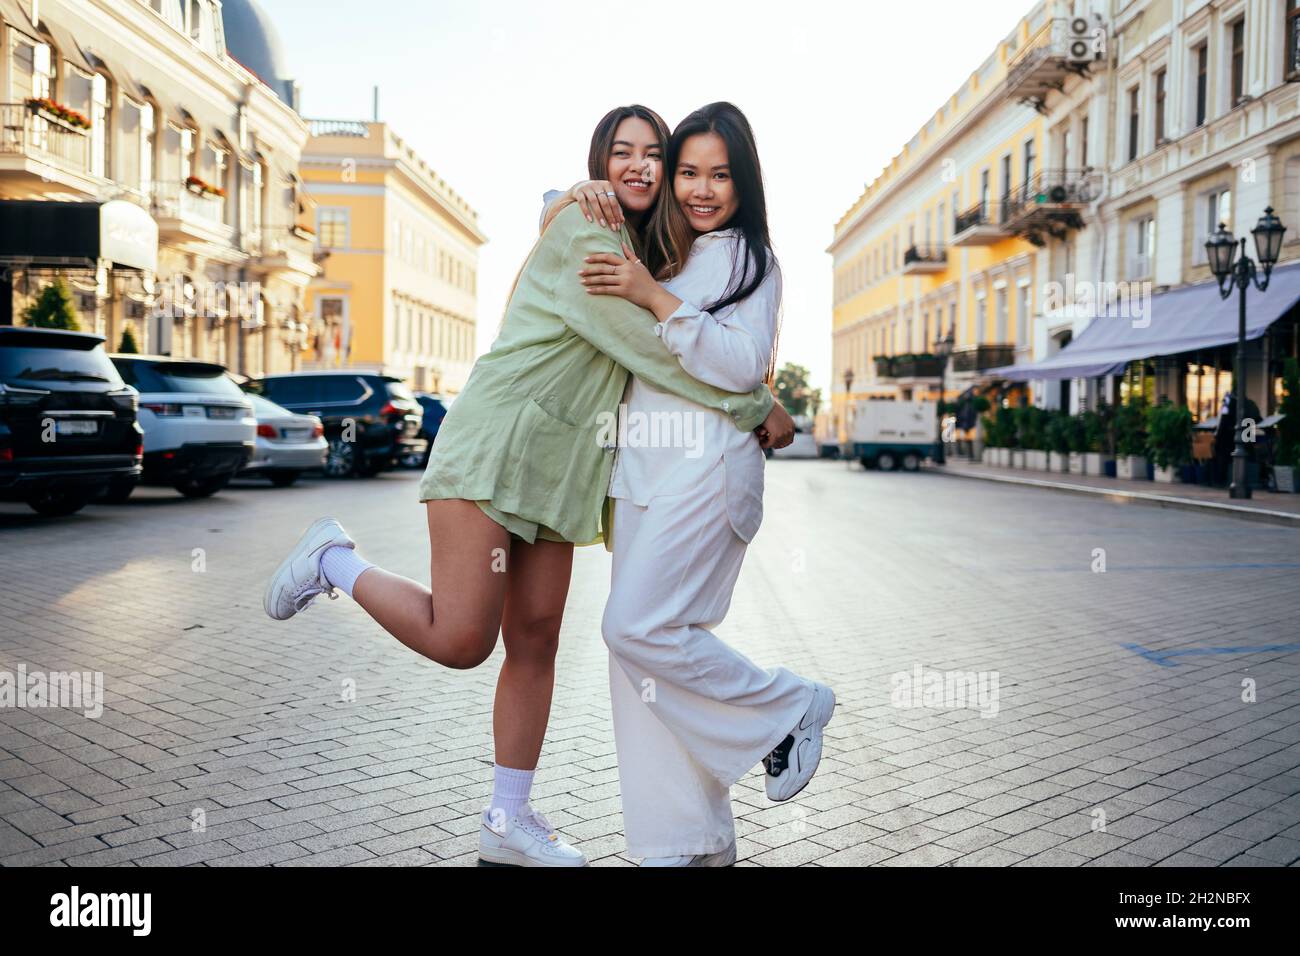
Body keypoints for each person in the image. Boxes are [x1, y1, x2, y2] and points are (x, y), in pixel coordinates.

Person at [262, 105, 795, 867]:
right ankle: (333, 562)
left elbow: (662, 318)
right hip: (497, 448)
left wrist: (564, 196)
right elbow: (648, 349)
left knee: (537, 641)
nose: (641, 167)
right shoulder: (587, 235)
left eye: (656, 155)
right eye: (623, 153)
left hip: (558, 475)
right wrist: (759, 406)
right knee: (462, 639)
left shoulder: (644, 249)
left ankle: (508, 823)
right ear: (600, 162)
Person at [569, 102, 835, 866]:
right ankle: (683, 845)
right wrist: (572, 195)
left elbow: (738, 365)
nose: (700, 188)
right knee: (642, 668)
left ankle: (789, 706)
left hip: (709, 471)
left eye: (720, 174)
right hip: (643, 476)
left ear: (744, 182)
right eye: (688, 171)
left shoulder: (752, 263)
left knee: (636, 628)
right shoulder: (659, 249)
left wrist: (654, 299)